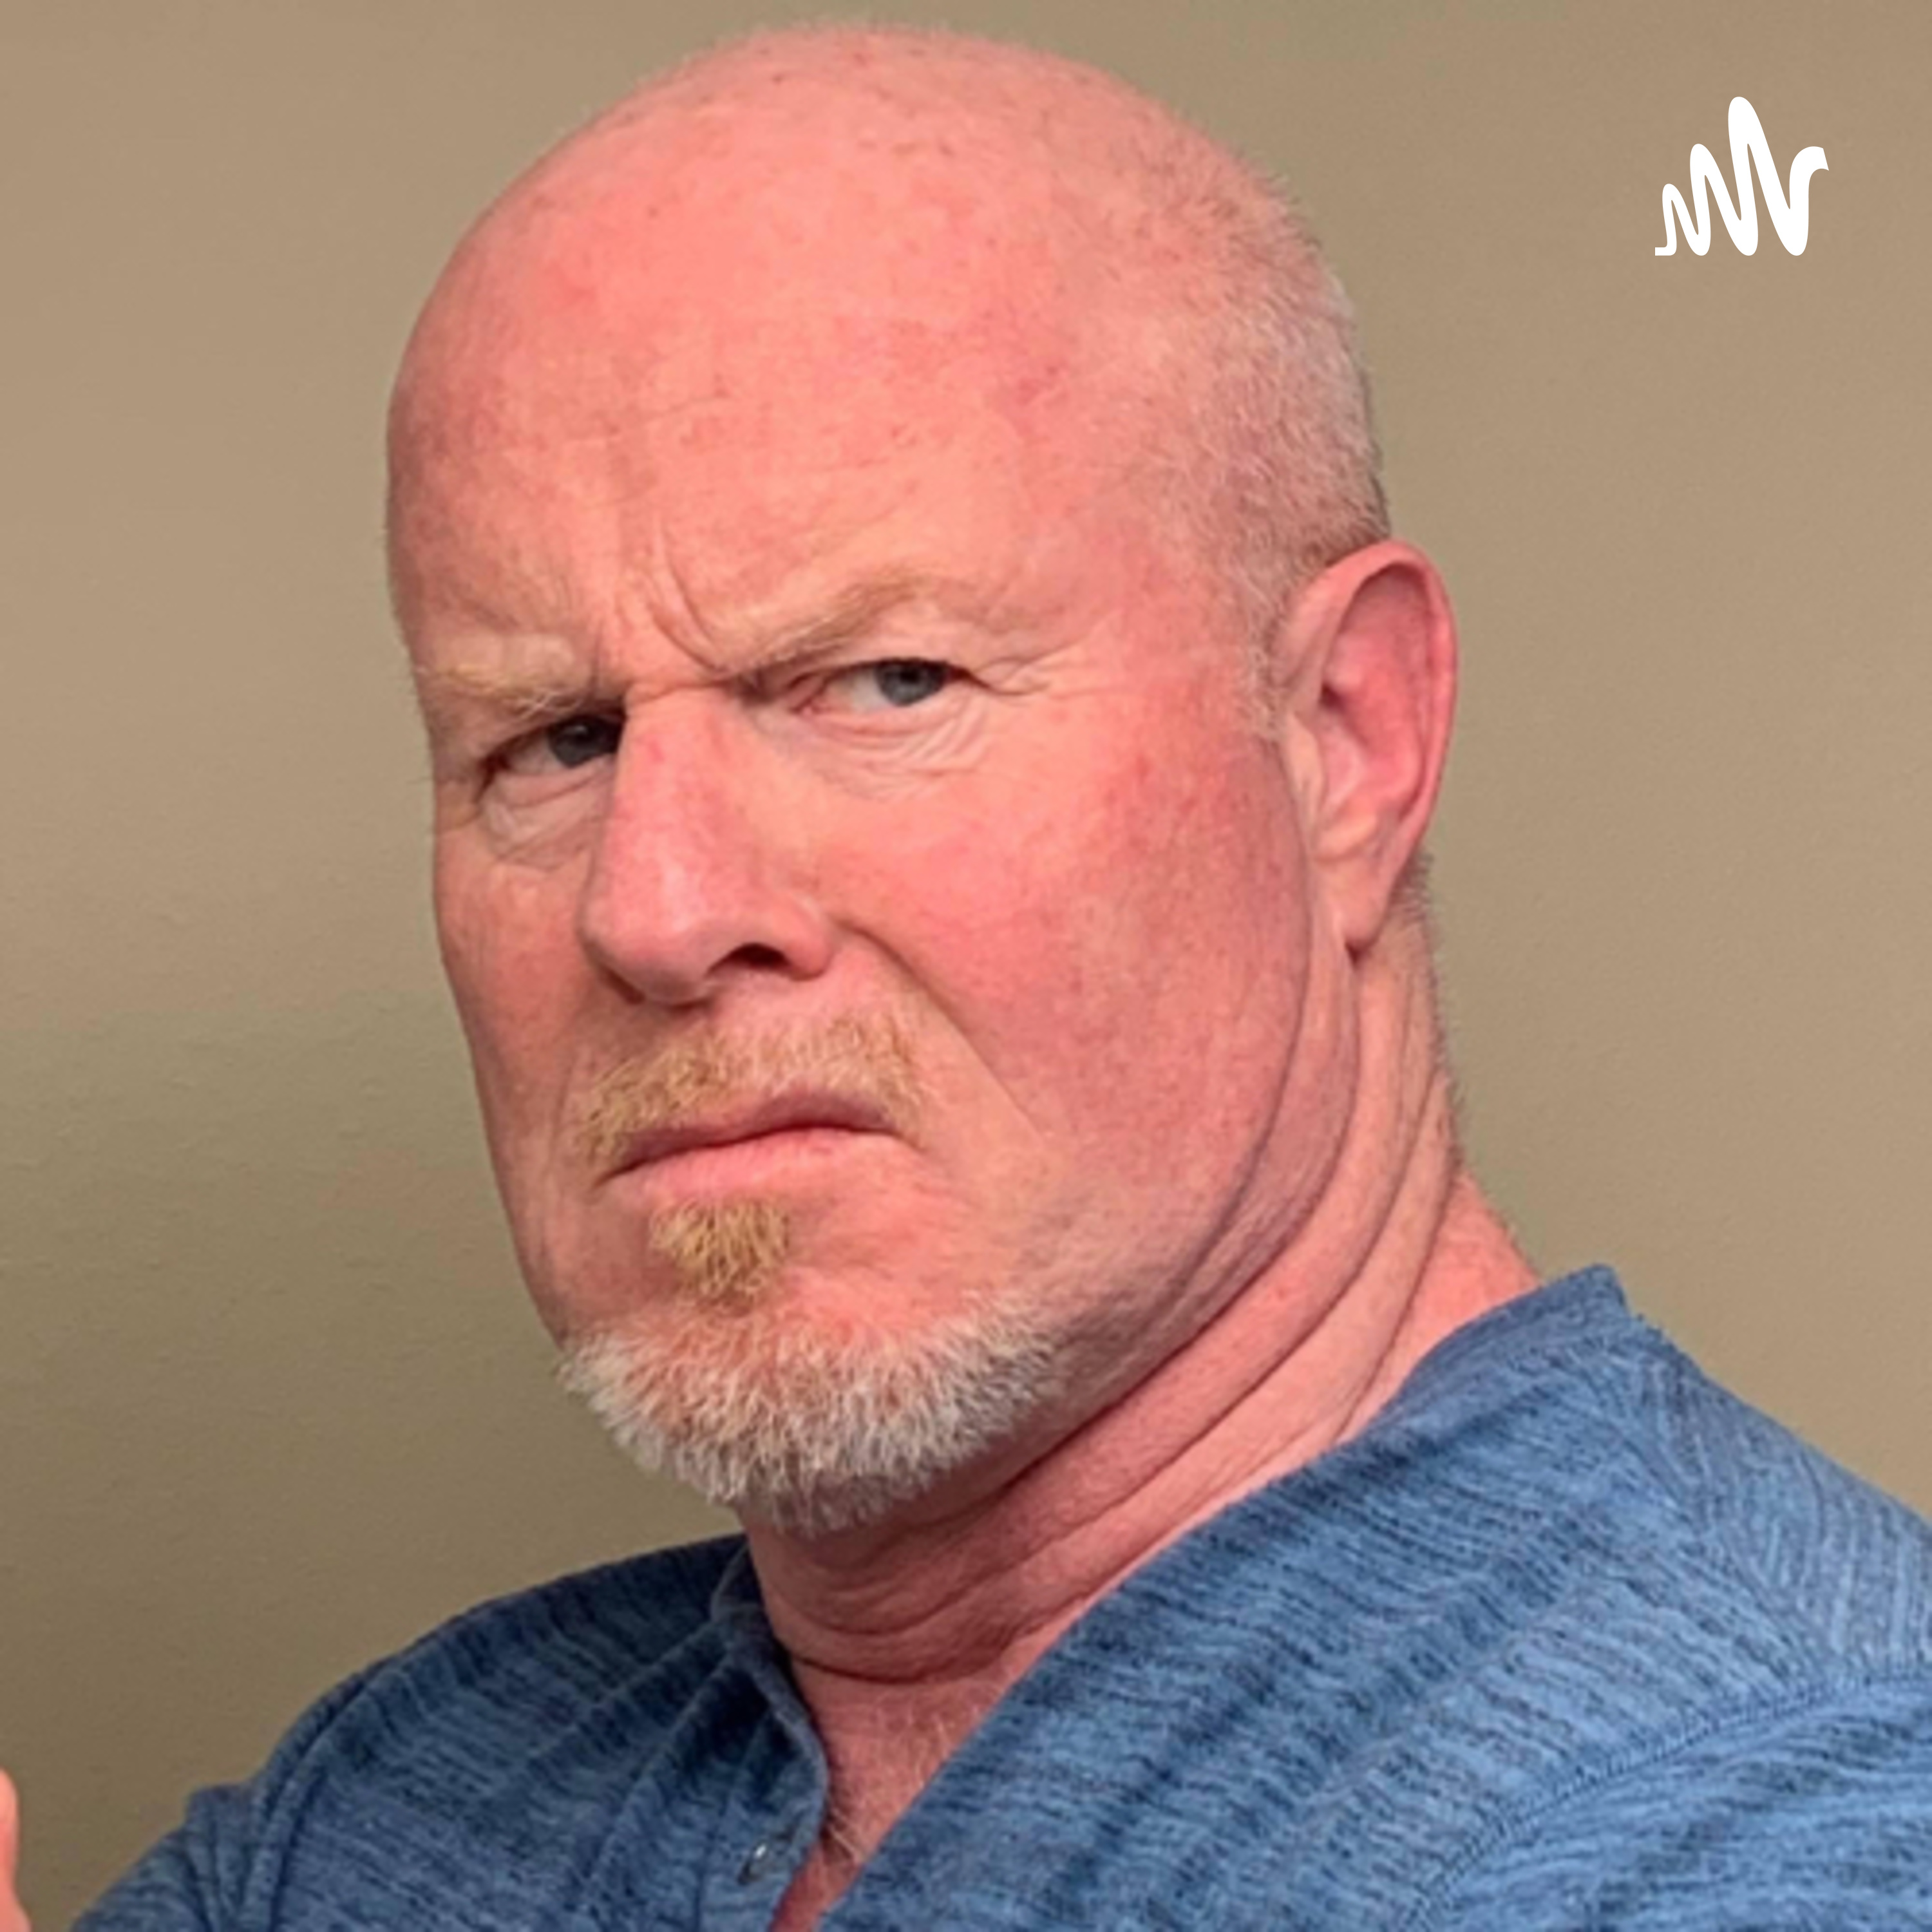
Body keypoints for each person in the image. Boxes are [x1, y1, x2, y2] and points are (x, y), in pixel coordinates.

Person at [15, 24, 1927, 1929]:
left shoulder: (1803, 1830)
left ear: (1346, 739)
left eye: (882, 682)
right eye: (555, 740)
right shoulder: (393, 1809)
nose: (656, 910)